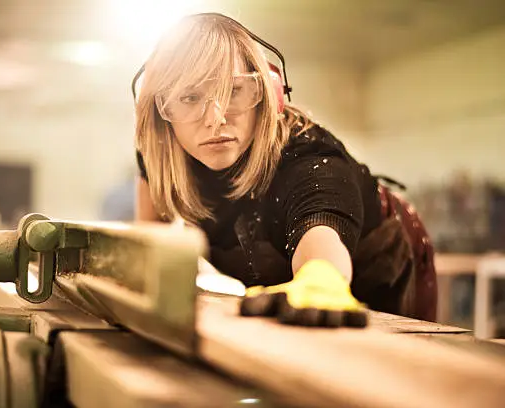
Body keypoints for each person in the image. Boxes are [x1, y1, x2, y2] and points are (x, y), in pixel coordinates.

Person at [132, 13, 437, 327]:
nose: (214, 118)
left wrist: (320, 279)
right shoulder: (161, 153)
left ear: (267, 92)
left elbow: (321, 245)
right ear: (159, 113)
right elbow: (152, 238)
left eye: (233, 90)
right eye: (189, 97)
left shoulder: (308, 160)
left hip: (386, 260)